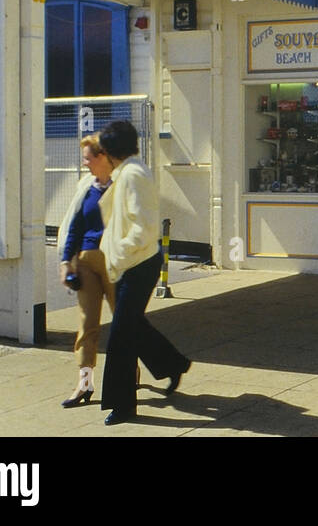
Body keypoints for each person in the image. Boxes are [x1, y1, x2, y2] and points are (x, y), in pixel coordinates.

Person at [97, 120, 191, 425]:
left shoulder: (134, 175)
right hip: (134, 264)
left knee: (120, 337)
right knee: (133, 326)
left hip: (137, 264)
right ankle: (174, 364)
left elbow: (144, 225)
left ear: (112, 151)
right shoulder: (127, 172)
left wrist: (120, 253)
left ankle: (123, 405)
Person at [56, 134, 115, 407]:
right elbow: (75, 228)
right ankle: (85, 384)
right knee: (87, 325)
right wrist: (67, 261)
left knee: (126, 324)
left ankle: (131, 374)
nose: (85, 163)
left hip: (117, 263)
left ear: (103, 157)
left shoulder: (123, 187)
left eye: (88, 158)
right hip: (88, 261)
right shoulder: (87, 188)